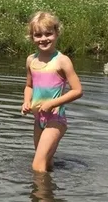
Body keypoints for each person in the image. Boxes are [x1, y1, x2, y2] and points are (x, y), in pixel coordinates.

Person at [20, 11, 83, 173]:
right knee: (46, 162)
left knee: (37, 165)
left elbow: (77, 90)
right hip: (38, 120)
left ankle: (38, 190)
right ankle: (49, 188)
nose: (43, 39)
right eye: (38, 35)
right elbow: (29, 86)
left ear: (57, 33)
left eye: (48, 34)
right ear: (32, 37)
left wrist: (52, 103)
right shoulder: (31, 60)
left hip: (56, 119)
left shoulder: (62, 61)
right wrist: (26, 101)